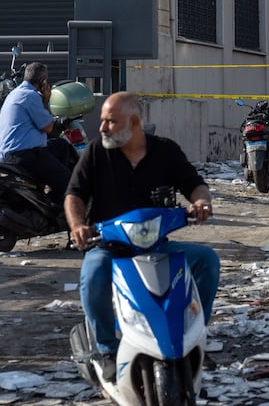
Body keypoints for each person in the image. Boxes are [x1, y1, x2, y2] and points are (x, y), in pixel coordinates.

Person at [65, 91, 220, 381]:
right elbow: (74, 194)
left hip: (157, 245)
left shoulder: (166, 151)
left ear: (134, 122)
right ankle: (107, 349)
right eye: (102, 121)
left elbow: (196, 185)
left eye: (110, 122)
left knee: (206, 261)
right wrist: (77, 225)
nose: (102, 128)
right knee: (93, 273)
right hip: (109, 246)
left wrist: (202, 203)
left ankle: (193, 337)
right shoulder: (97, 151)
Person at [0, 62, 75, 204]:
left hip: (12, 154)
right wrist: (46, 99)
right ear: (42, 81)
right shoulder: (31, 96)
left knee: (61, 146)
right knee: (69, 183)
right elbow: (48, 127)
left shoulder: (15, 93)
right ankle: (61, 213)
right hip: (26, 155)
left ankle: (50, 193)